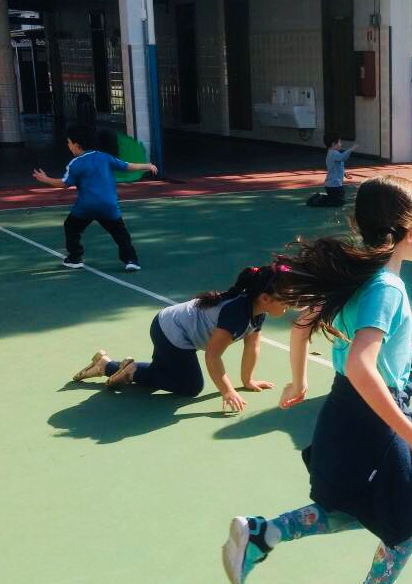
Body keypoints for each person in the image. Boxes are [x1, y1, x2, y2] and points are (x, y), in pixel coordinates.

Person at [221, 176, 412, 584]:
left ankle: (263, 534)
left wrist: (299, 382)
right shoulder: (387, 288)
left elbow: (301, 327)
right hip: (375, 417)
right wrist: (411, 434)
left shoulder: (357, 276)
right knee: (407, 518)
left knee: (358, 505)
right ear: (411, 230)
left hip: (345, 410)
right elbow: (362, 366)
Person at [72, 263, 291, 411]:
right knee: (190, 386)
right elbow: (213, 356)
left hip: (176, 329)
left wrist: (247, 381)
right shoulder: (236, 314)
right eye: (286, 299)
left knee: (163, 372)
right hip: (171, 332)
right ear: (265, 298)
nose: (291, 304)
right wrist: (228, 391)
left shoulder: (257, 310)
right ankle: (130, 370)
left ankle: (106, 365)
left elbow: (252, 346)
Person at [32, 124, 157, 271]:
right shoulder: (104, 157)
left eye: (68, 142)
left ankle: (75, 258)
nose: (68, 145)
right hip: (109, 206)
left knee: (71, 226)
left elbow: (64, 183)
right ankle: (131, 260)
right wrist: (146, 165)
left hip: (86, 207)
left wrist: (46, 179)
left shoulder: (75, 163)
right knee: (120, 234)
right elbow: (126, 166)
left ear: (76, 145)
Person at [307, 134, 358, 207]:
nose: (341, 144)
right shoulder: (333, 153)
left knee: (338, 198)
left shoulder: (333, 153)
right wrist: (351, 149)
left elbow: (337, 166)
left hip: (332, 185)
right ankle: (319, 199)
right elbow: (342, 157)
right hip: (334, 185)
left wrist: (344, 173)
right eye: (339, 142)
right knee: (339, 202)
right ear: (333, 144)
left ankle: (321, 197)